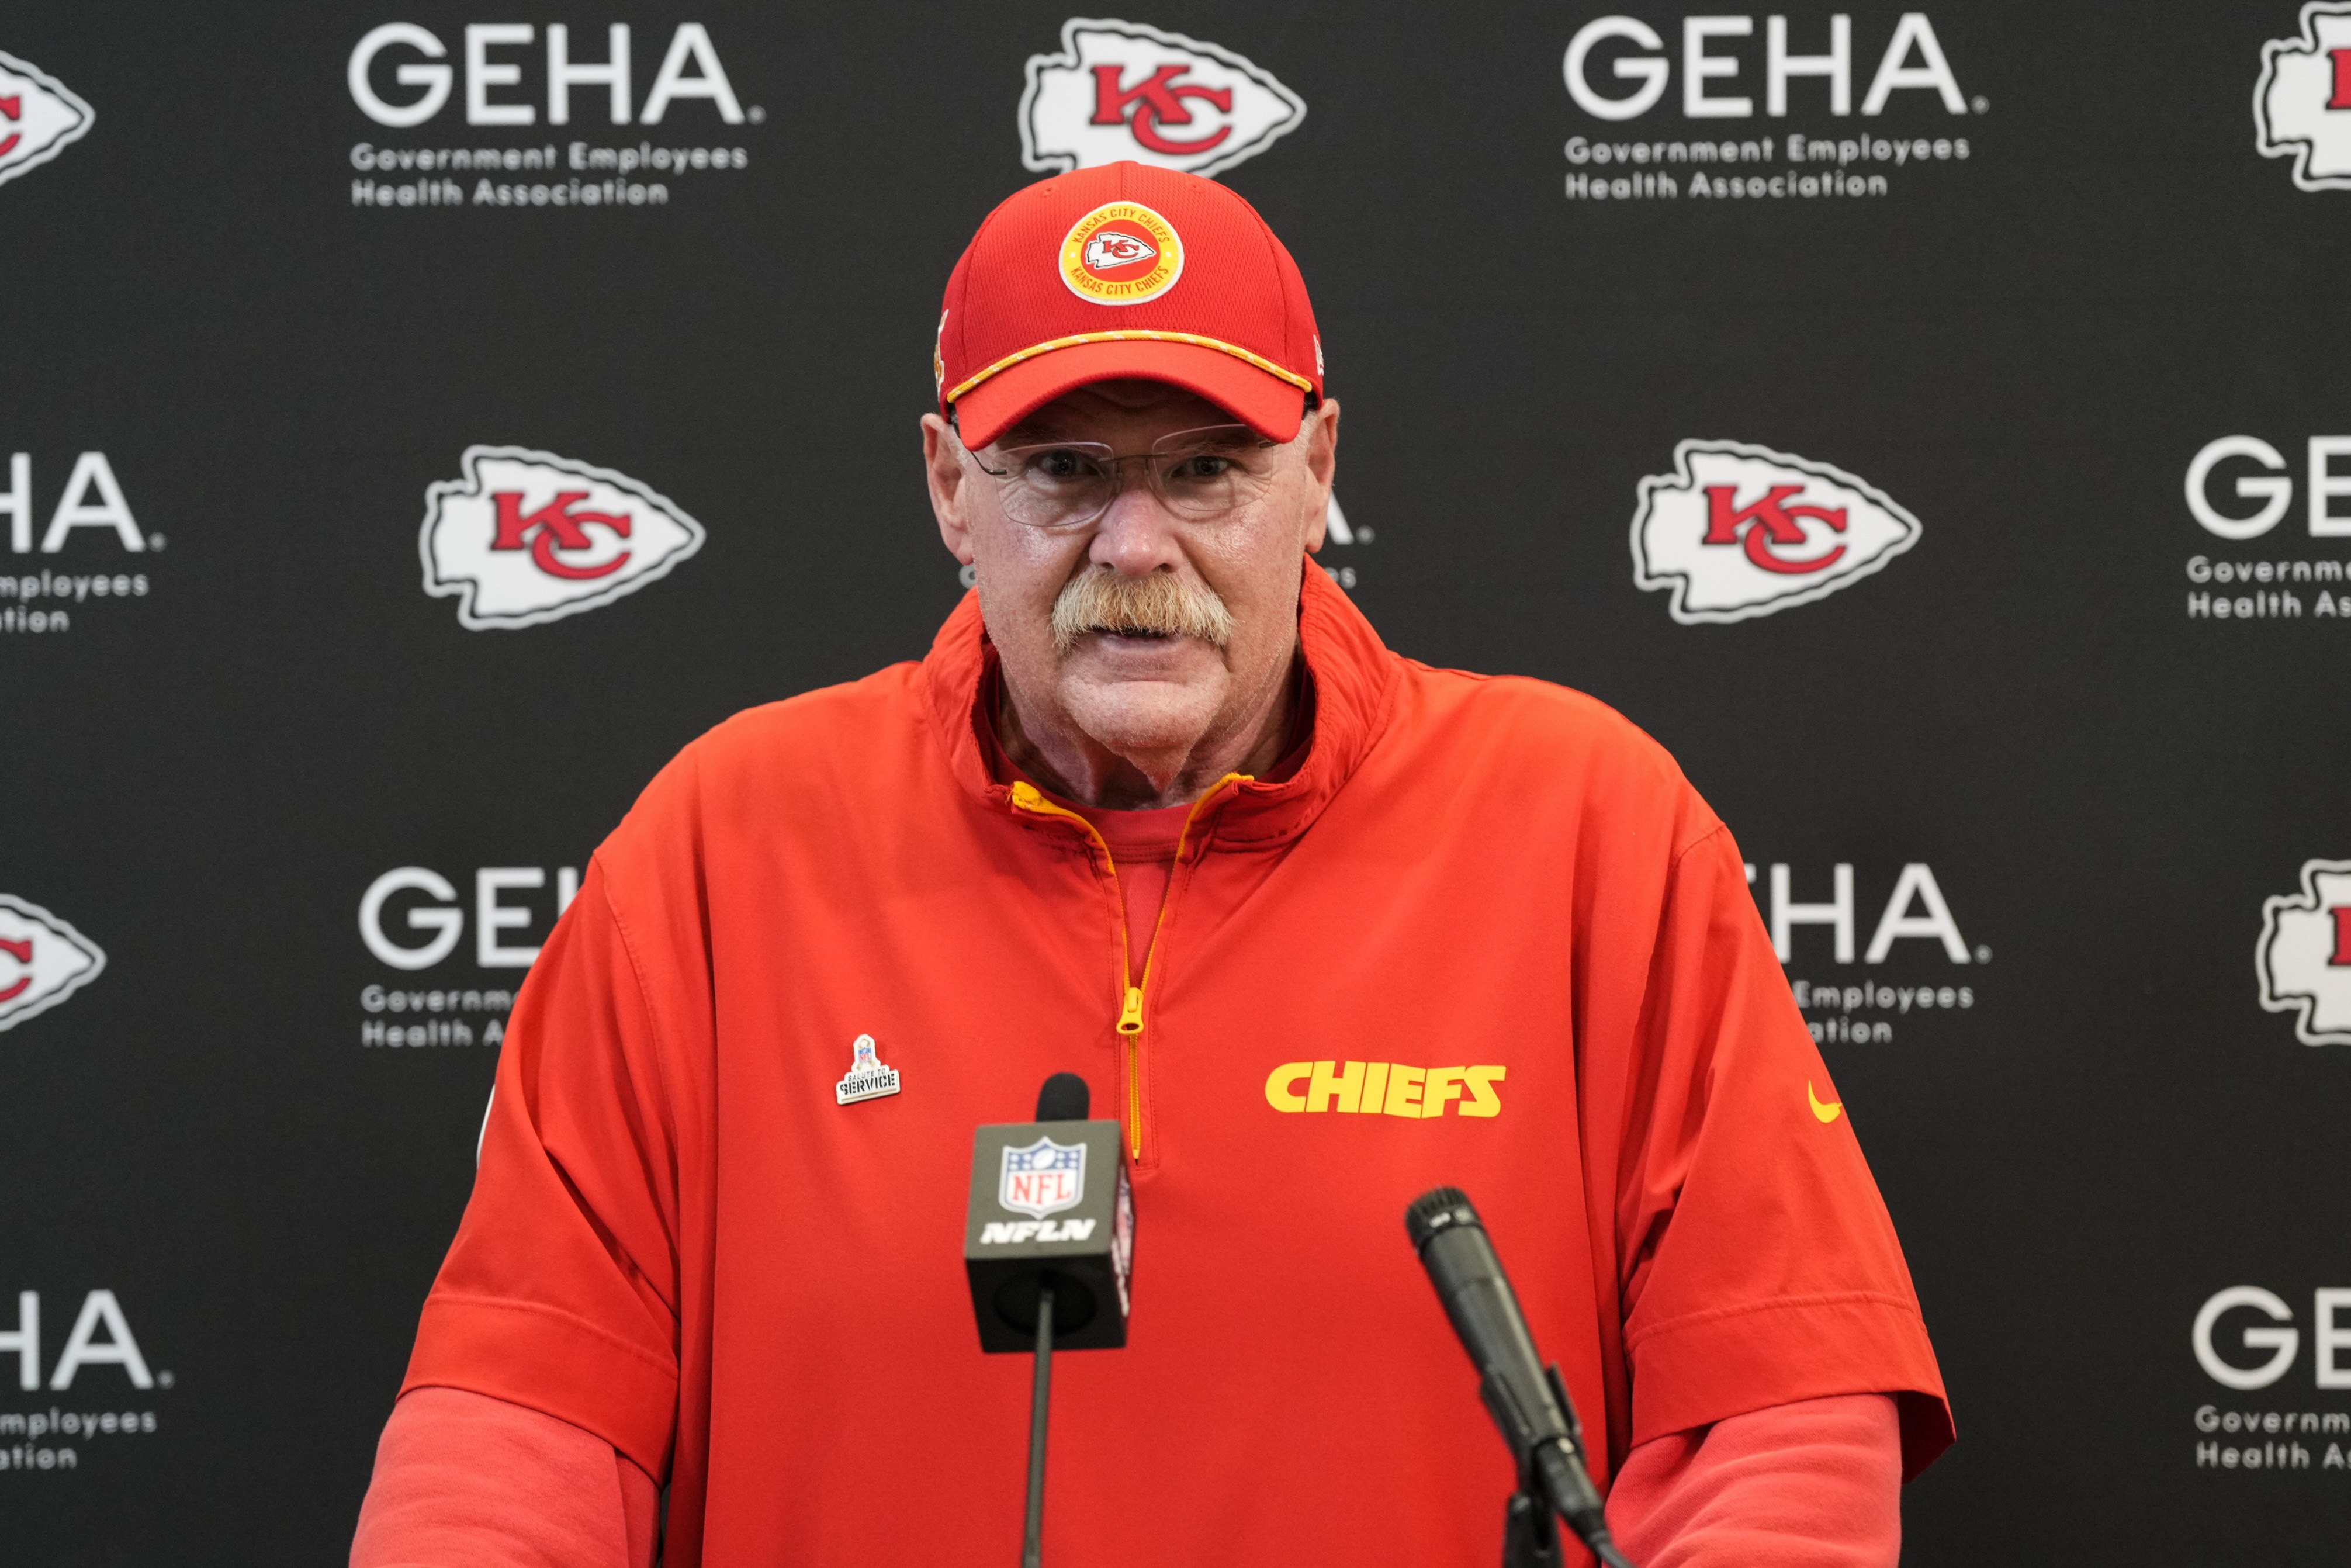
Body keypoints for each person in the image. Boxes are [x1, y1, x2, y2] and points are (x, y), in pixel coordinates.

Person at [352, 161, 1949, 1568]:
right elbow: (518, 1436)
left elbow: (1783, 1424)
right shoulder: (717, 847)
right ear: (946, 489)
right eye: (1062, 470)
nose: (1135, 545)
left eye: (1203, 470)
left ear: (1318, 471)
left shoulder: (1593, 825)